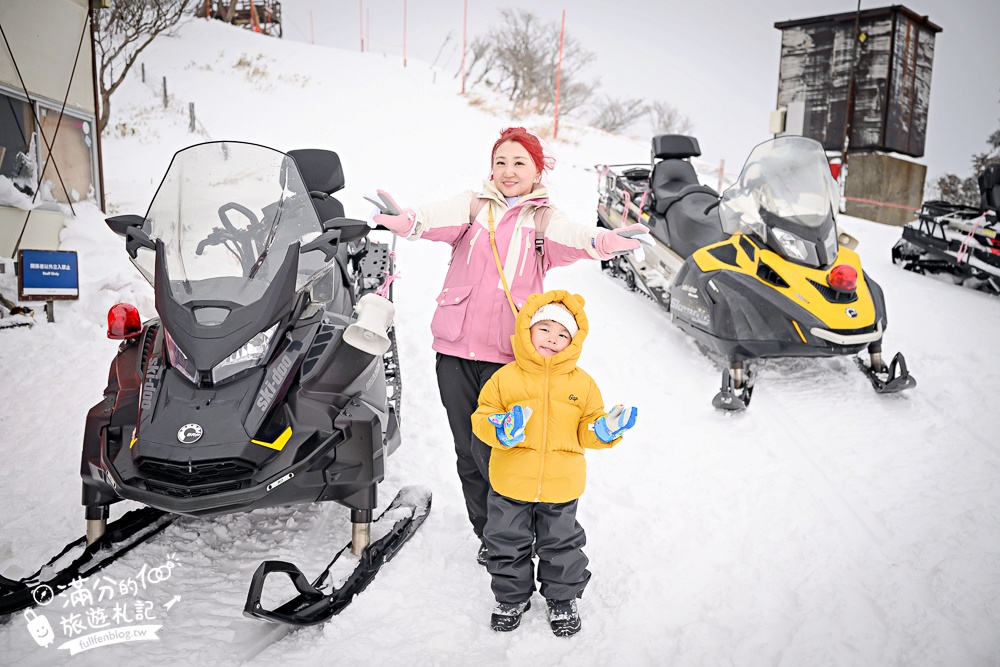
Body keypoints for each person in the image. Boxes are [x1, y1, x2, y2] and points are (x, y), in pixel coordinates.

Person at [369, 127, 649, 565]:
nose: (508, 171)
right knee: (468, 449)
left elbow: (579, 237)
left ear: (538, 170)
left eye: (519, 162)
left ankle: (520, 532)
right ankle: (490, 536)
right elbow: (430, 217)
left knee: (504, 452)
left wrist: (606, 241)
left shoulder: (543, 220)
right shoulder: (473, 206)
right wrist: (406, 221)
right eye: (501, 162)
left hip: (508, 360)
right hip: (456, 353)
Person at [471, 290, 637, 636]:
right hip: (511, 482)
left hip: (561, 485)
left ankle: (562, 600)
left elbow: (588, 427)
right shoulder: (505, 378)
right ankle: (511, 597)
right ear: (527, 330)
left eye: (564, 334)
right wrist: (500, 427)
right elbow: (481, 417)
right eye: (545, 329)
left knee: (562, 546)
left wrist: (604, 429)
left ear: (574, 342)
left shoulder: (583, 383)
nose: (553, 338)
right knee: (505, 544)